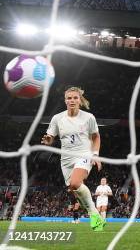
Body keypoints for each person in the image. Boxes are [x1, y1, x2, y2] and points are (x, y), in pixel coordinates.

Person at [41, 86, 105, 231]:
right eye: (69, 98)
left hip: (84, 154)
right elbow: (51, 137)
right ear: (65, 101)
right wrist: (48, 140)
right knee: (74, 189)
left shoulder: (88, 118)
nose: (72, 100)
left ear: (80, 100)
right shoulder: (57, 118)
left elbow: (96, 137)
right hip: (66, 159)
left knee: (76, 183)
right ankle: (95, 214)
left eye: (75, 98)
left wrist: (95, 155)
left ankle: (92, 214)